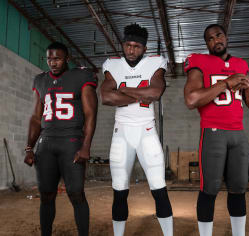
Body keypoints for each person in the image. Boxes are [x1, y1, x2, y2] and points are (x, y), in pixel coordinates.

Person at [183, 24, 249, 236]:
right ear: (206, 43)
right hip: (213, 132)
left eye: (218, 35)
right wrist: (227, 83)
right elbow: (191, 100)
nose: (215, 40)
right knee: (210, 189)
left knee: (239, 188)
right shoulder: (199, 62)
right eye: (209, 38)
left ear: (226, 37)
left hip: (239, 134)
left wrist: (247, 84)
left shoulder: (240, 64)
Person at [100, 23, 173, 236]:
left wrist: (122, 89)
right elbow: (106, 97)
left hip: (147, 130)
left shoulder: (156, 62)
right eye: (127, 45)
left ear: (144, 48)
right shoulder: (112, 65)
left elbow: (156, 92)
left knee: (159, 188)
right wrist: (141, 93)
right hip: (121, 132)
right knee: (119, 190)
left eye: (136, 46)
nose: (131, 50)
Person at [23, 42, 98, 236]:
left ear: (67, 59)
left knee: (76, 194)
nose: (53, 63)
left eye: (57, 58)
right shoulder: (40, 80)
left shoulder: (81, 76)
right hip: (46, 144)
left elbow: (91, 114)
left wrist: (86, 146)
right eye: (49, 58)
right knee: (46, 196)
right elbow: (36, 117)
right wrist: (29, 147)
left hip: (71, 141)